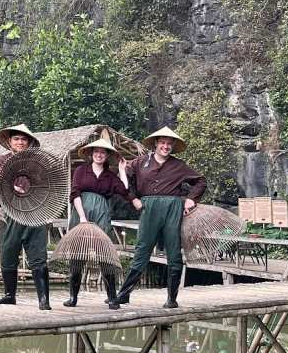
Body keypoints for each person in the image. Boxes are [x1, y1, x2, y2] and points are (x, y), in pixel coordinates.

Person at [113, 126, 207, 309]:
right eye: (162, 142)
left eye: (169, 143)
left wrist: (190, 199)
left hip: (173, 208)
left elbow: (201, 181)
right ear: (155, 144)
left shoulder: (179, 165)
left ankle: (172, 299)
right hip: (149, 208)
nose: (166, 146)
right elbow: (122, 182)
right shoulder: (140, 162)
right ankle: (123, 295)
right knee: (142, 249)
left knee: (174, 251)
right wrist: (133, 199)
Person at [0, 124, 52, 310]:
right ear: (9, 142)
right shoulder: (0, 161)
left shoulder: (38, 163)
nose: (20, 142)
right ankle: (9, 295)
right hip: (9, 212)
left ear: (29, 142)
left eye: (24, 139)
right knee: (8, 252)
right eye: (16, 138)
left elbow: (47, 187)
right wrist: (11, 188)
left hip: (34, 212)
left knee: (38, 255)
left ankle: (44, 299)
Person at [66, 136, 129, 310]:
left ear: (107, 155)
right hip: (81, 211)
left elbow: (124, 191)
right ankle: (73, 297)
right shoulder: (81, 170)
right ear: (91, 153)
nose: (99, 154)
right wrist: (82, 217)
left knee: (105, 254)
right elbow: (75, 193)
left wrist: (122, 170)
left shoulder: (110, 176)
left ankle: (112, 298)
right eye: (96, 151)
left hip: (102, 212)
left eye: (103, 152)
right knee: (77, 254)